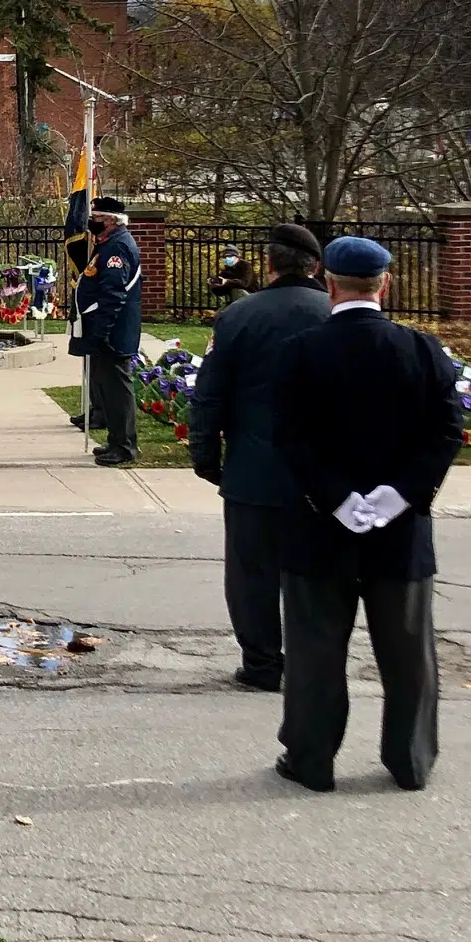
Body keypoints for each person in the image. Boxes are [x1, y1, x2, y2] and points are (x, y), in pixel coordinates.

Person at [271, 235, 463, 794]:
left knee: (313, 652)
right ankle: (410, 760)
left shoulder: (300, 351)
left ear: (328, 284)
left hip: (318, 527)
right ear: (387, 283)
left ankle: (311, 759)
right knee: (407, 653)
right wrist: (397, 495)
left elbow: (289, 439)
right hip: (399, 531)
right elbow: (447, 432)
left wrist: (336, 498)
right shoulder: (422, 349)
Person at [187, 223, 330, 692]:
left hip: (254, 468)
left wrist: (206, 455)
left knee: (252, 573)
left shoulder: (239, 316)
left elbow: (210, 394)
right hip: (324, 474)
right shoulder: (334, 314)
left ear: (268, 265)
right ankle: (312, 663)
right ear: (316, 267)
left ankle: (262, 662)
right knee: (315, 572)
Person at [71, 195, 143, 468]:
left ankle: (125, 446)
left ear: (112, 221)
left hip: (112, 331)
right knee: (106, 387)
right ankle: (116, 441)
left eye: (97, 218)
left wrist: (102, 332)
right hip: (102, 328)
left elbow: (113, 294)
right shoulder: (108, 243)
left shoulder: (117, 248)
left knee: (116, 388)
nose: (92, 222)